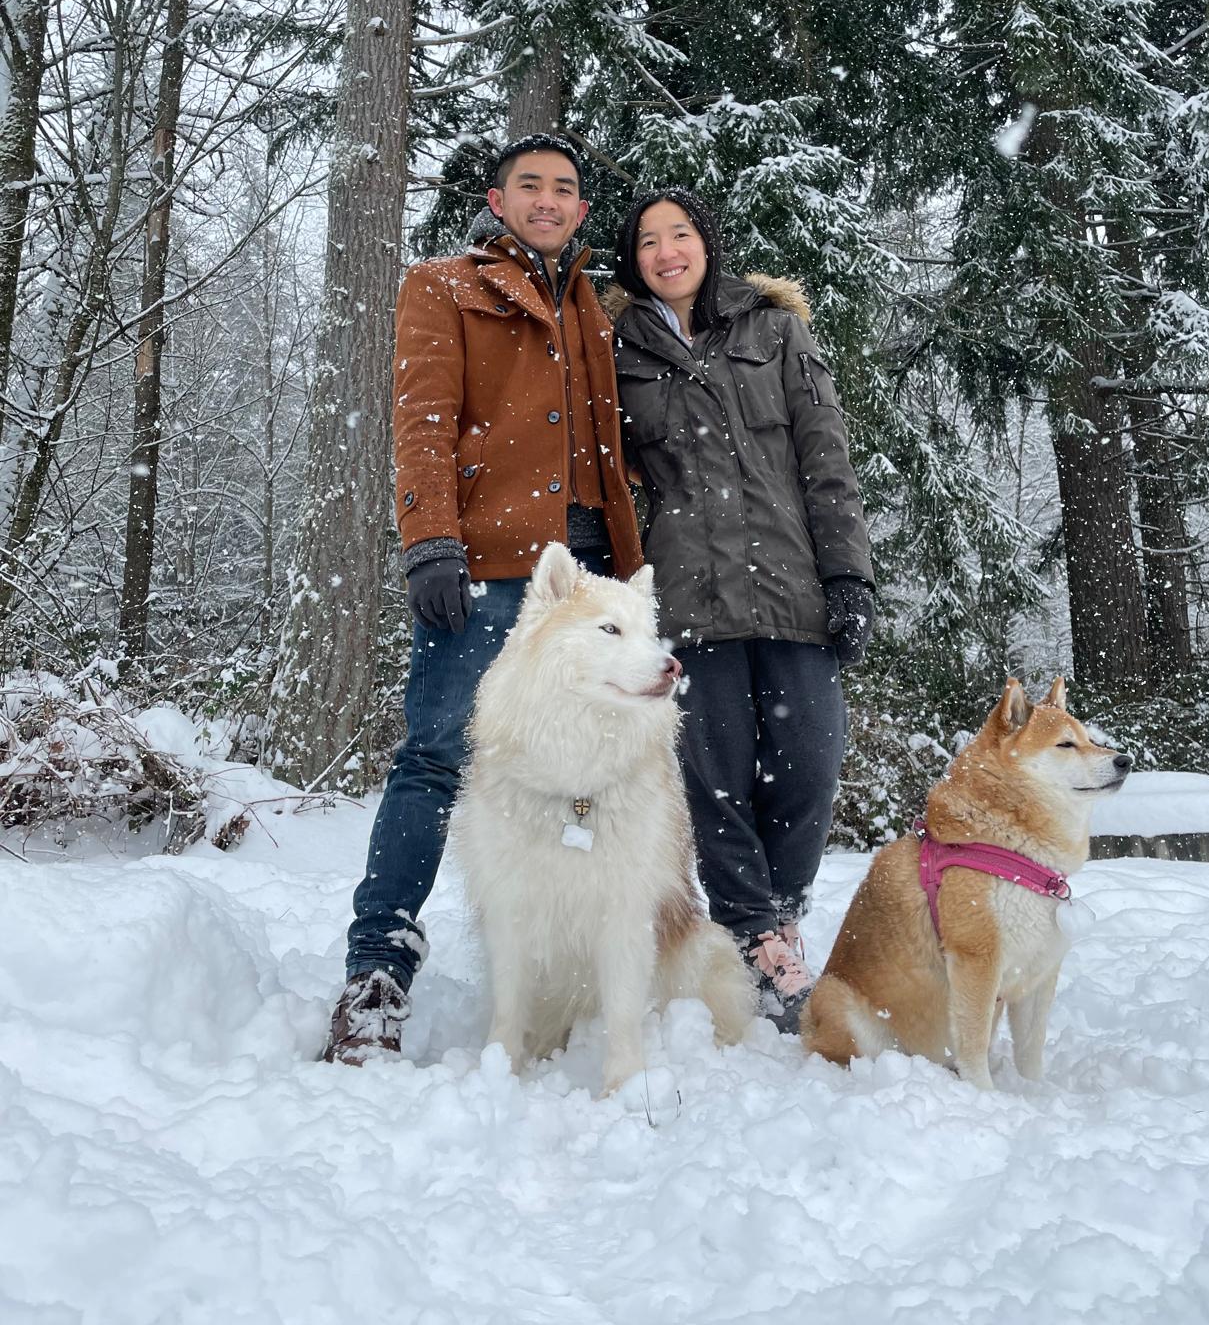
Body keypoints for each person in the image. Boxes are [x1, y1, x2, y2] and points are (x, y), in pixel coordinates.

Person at [322, 135, 643, 1064]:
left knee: (600, 772)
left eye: (566, 190)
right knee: (437, 753)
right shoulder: (442, 284)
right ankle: (377, 967)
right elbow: (421, 417)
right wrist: (430, 541)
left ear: (582, 212)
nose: (548, 200)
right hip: (491, 568)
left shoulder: (590, 301)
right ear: (496, 201)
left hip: (589, 575)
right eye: (529, 186)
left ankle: (584, 960)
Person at [607, 188, 875, 1031]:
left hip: (793, 590)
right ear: (633, 260)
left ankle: (781, 915)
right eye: (648, 241)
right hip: (691, 598)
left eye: (679, 234)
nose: (666, 251)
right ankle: (756, 937)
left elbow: (825, 460)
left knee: (808, 767)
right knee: (715, 781)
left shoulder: (775, 331)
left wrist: (849, 577)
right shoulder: (618, 349)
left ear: (707, 244)